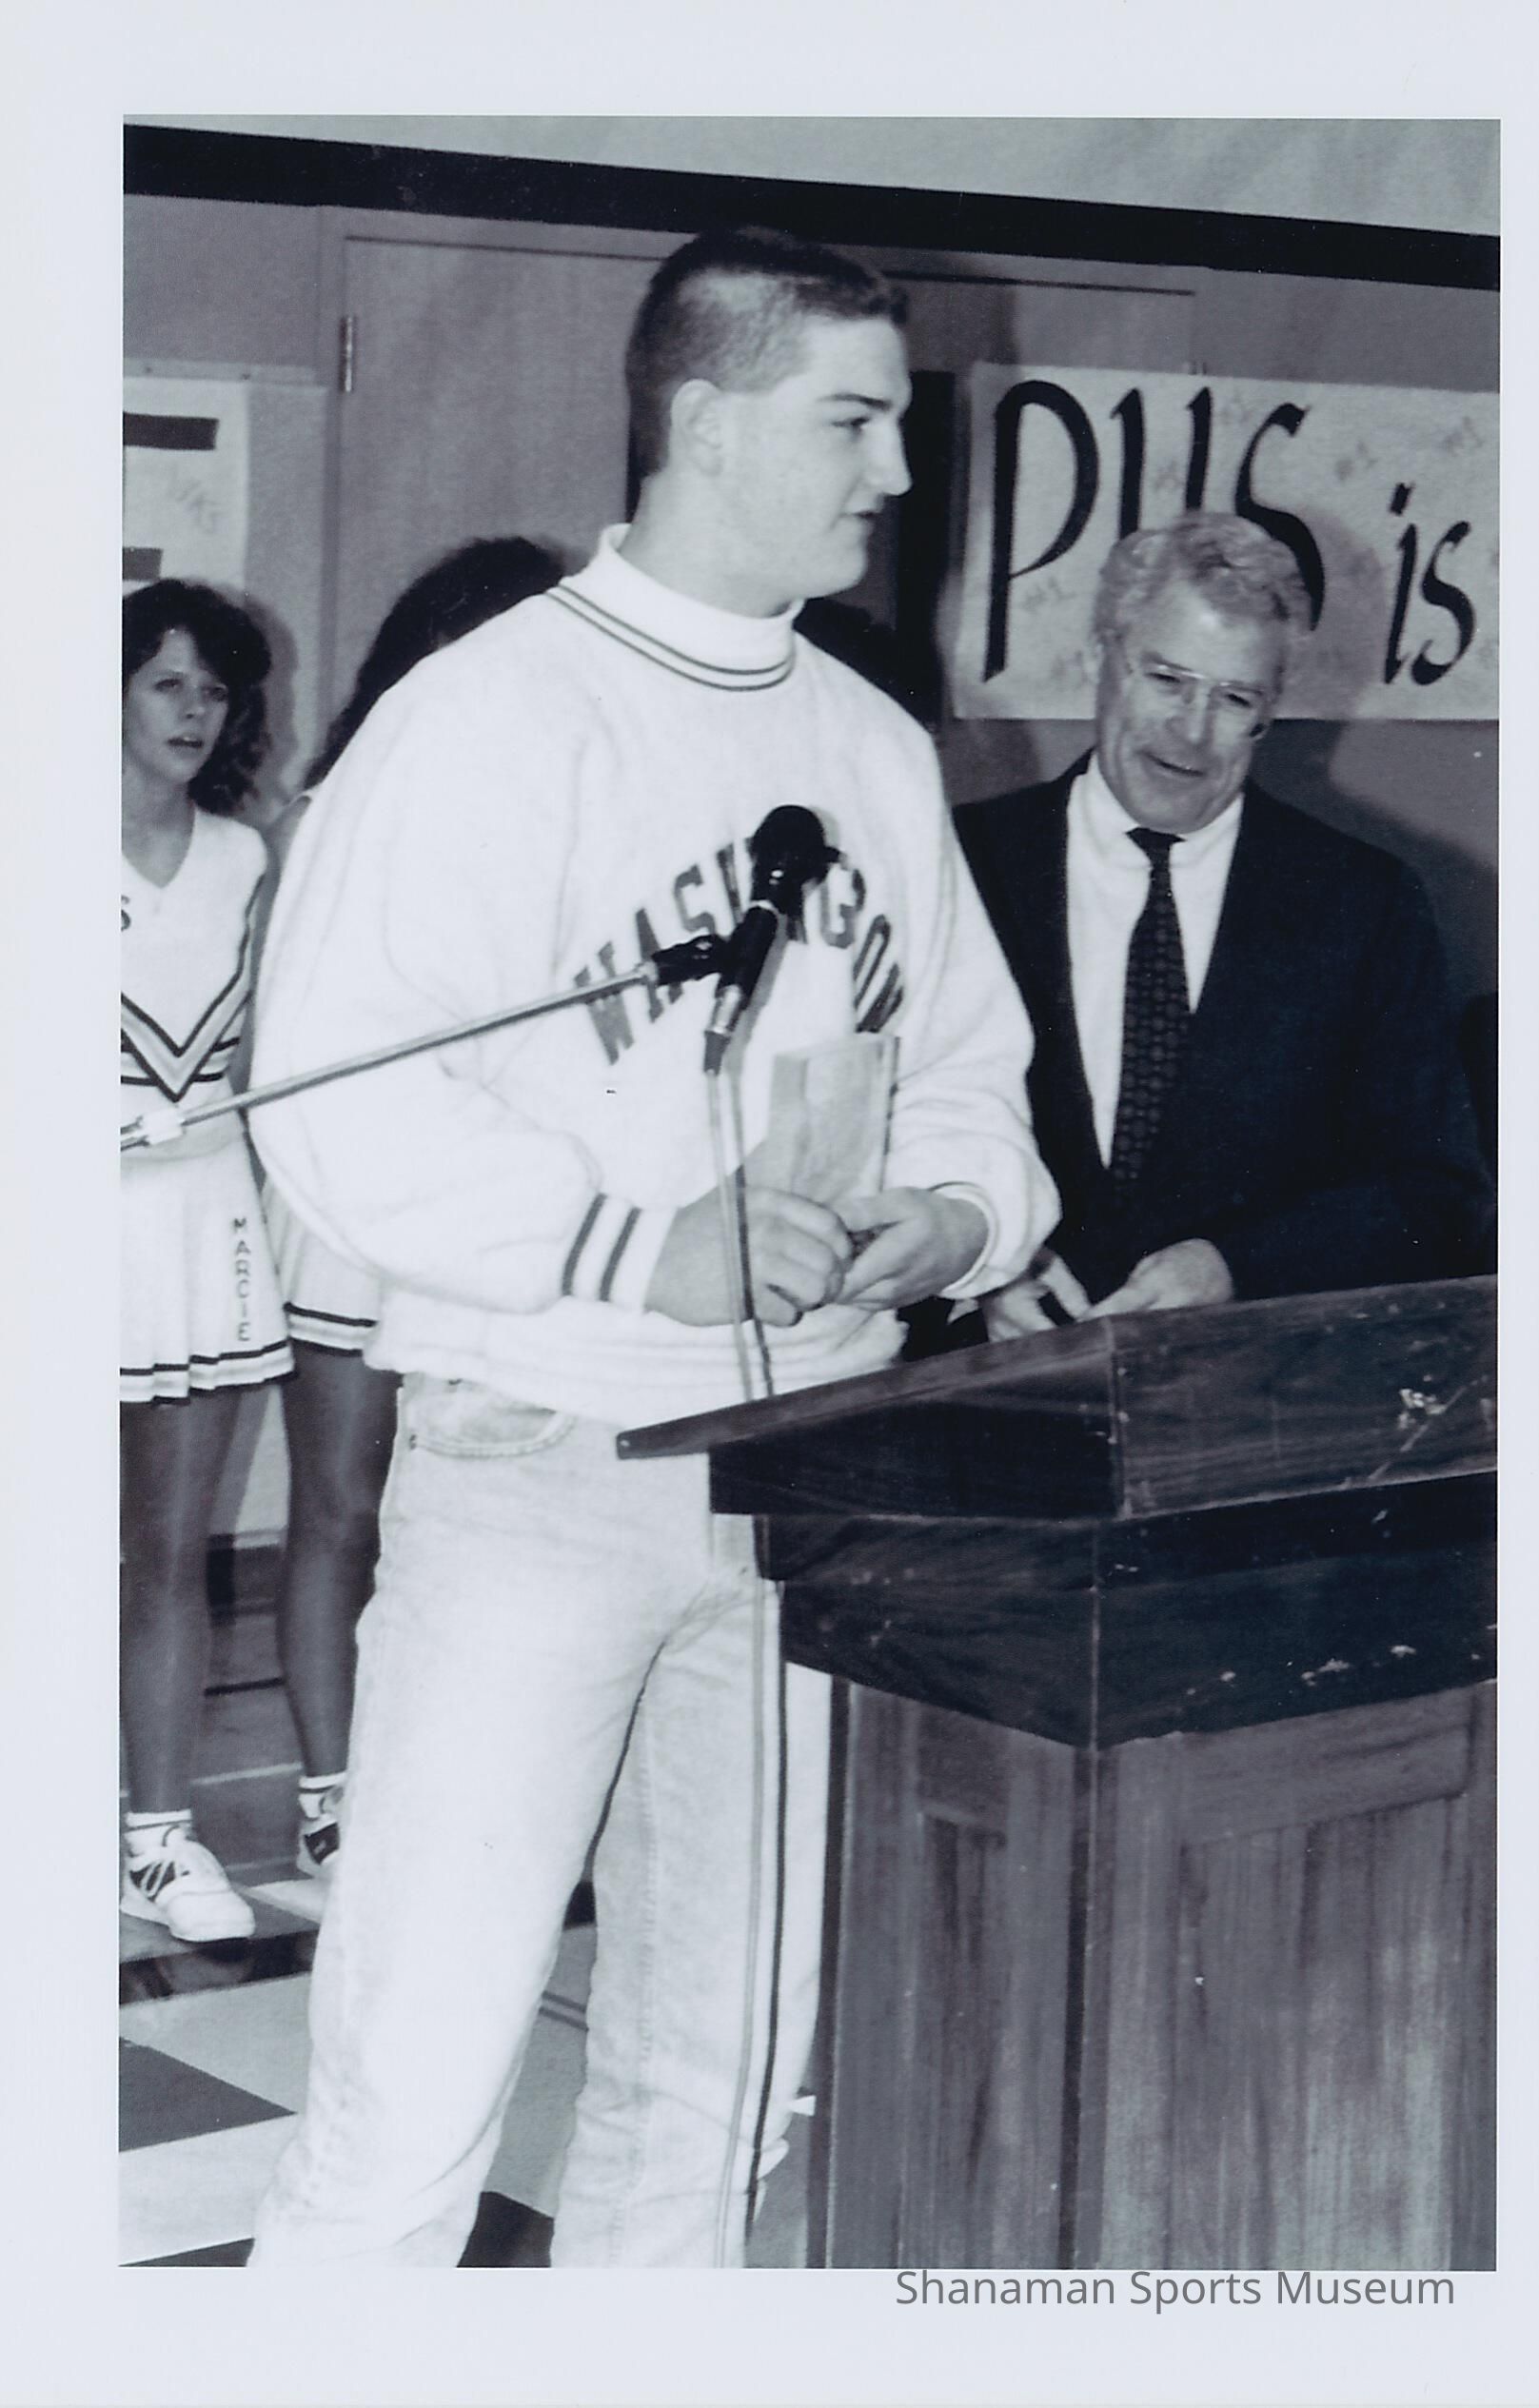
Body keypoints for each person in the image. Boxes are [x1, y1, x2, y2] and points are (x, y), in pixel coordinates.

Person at [247, 224, 1057, 2266]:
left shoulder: (870, 745)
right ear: (704, 422)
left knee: (722, 2090)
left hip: (808, 1482)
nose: (895, 471)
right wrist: (640, 1247)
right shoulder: (488, 711)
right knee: (411, 2097)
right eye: (852, 421)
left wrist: (946, 1215)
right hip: (544, 1456)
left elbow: (976, 1084)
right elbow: (327, 1102)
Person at [952, 510, 1491, 1341]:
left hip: (1253, 1385)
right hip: (982, 1382)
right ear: (1098, 658)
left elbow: (1434, 1192)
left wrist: (1238, 1267)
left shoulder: (1362, 902)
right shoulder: (965, 860)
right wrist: (974, 1263)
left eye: (1234, 697)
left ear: (1269, 712)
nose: (1192, 731)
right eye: (1166, 679)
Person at [260, 537, 563, 1880]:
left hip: (495, 1203)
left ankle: (463, 1799)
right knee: (342, 1505)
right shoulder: (336, 806)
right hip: (357, 1205)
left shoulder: (556, 804)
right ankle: (335, 1796)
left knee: (488, 1520)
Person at [120, 580, 293, 1944]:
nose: (194, 712)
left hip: (198, 1220)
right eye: (167, 682)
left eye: (215, 691)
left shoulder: (244, 857)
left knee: (171, 1549)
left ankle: (157, 1839)